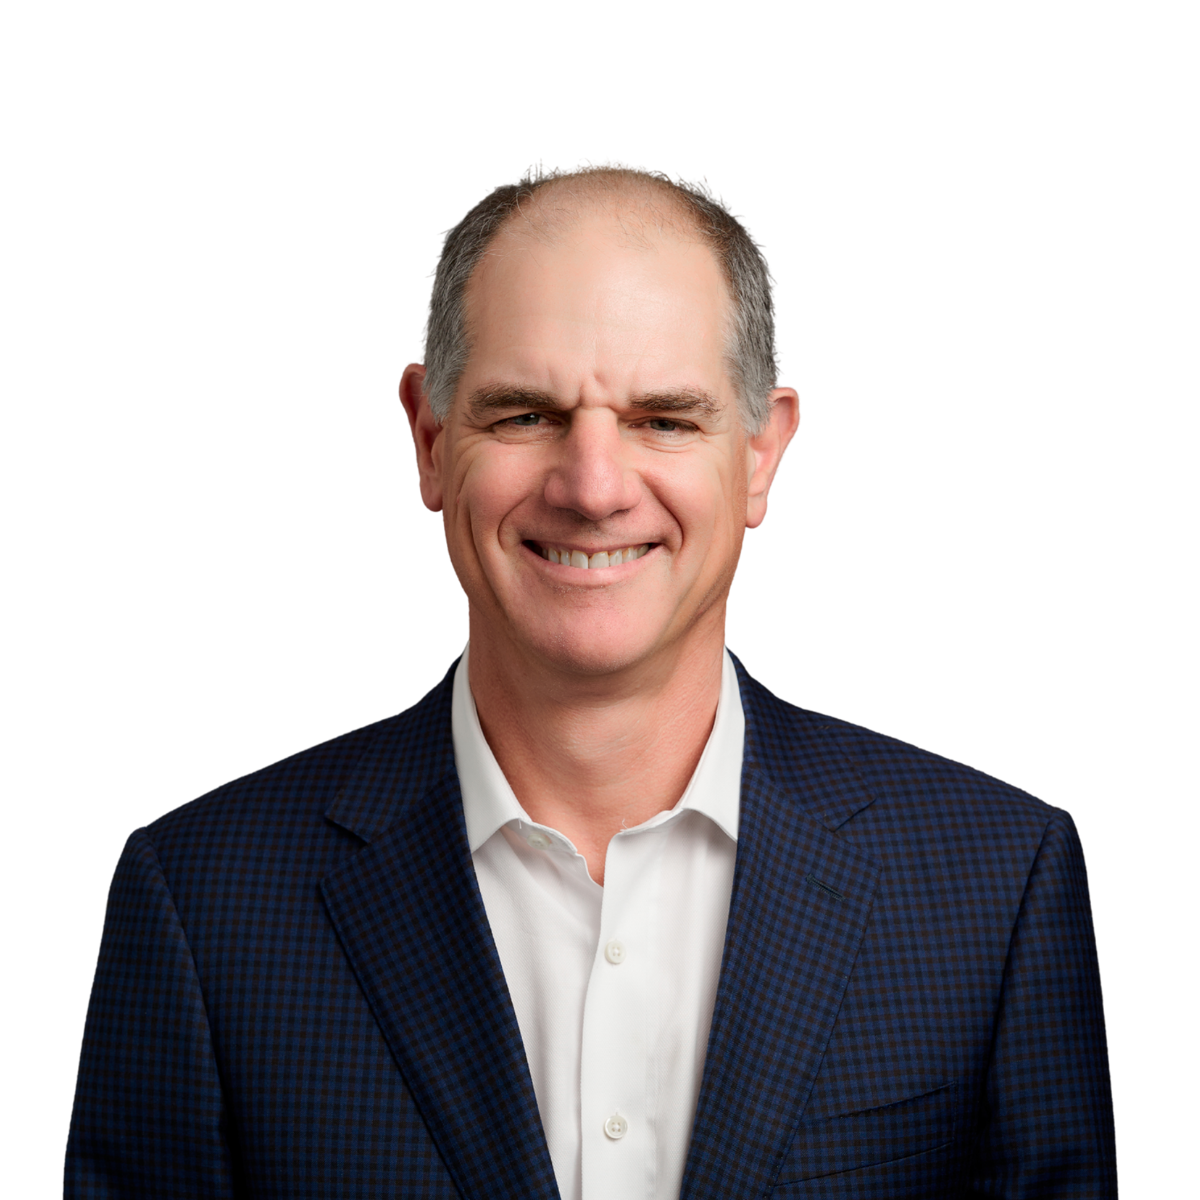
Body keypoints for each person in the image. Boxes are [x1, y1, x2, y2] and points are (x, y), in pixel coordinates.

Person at [65, 159, 1117, 1198]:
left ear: (763, 457)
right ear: (429, 439)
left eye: (665, 418)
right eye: (525, 414)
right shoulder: (201, 902)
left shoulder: (995, 884)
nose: (595, 487)